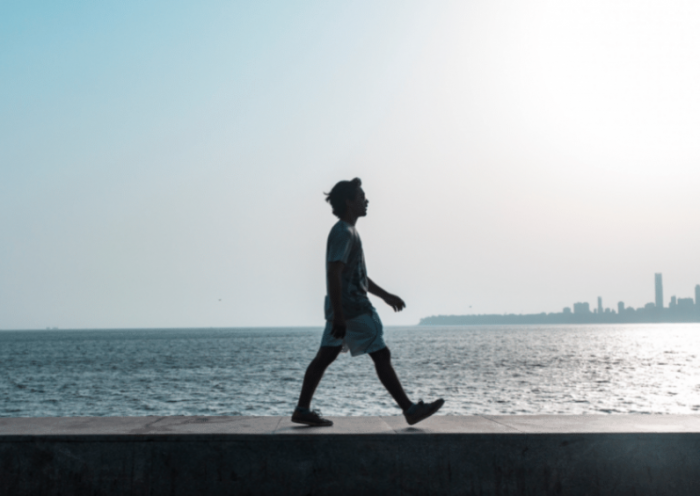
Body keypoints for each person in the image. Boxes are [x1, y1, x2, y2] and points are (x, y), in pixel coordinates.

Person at [292, 178, 444, 427]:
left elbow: (357, 275)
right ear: (349, 202)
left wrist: (385, 295)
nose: (367, 200)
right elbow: (334, 273)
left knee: (325, 357)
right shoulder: (344, 232)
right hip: (353, 310)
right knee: (381, 354)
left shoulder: (348, 231)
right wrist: (340, 315)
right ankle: (409, 409)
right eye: (362, 196)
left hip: (343, 310)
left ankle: (301, 409)